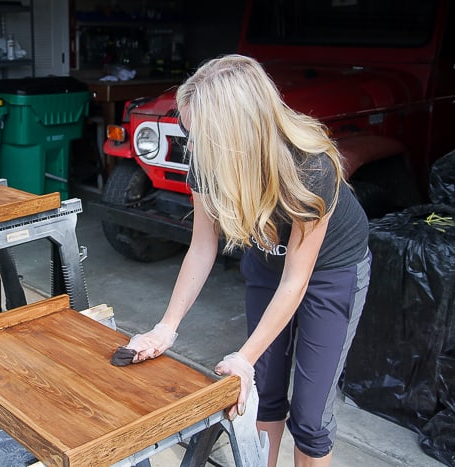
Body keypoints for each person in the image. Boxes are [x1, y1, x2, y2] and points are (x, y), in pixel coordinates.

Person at [122, 54, 371, 467]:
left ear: (236, 130)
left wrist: (244, 355)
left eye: (199, 133)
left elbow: (297, 280)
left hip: (331, 272)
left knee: (310, 419)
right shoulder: (206, 157)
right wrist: (166, 328)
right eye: (188, 131)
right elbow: (203, 247)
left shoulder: (311, 166)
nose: (192, 144)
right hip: (268, 263)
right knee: (262, 396)